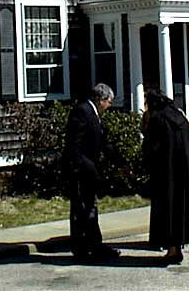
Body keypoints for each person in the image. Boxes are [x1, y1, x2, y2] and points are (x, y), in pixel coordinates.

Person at [63, 82, 122, 262]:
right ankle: (81, 249)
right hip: (81, 171)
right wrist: (82, 167)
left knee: (90, 208)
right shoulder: (82, 111)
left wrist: (120, 163)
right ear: (100, 99)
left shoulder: (94, 114)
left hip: (89, 171)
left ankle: (95, 246)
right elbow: (74, 145)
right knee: (81, 209)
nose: (109, 106)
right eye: (109, 102)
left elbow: (104, 142)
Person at [142, 90, 189, 264]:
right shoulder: (180, 117)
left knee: (167, 212)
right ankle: (178, 247)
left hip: (165, 174)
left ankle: (172, 250)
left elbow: (151, 148)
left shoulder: (157, 119)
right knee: (181, 210)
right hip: (183, 172)